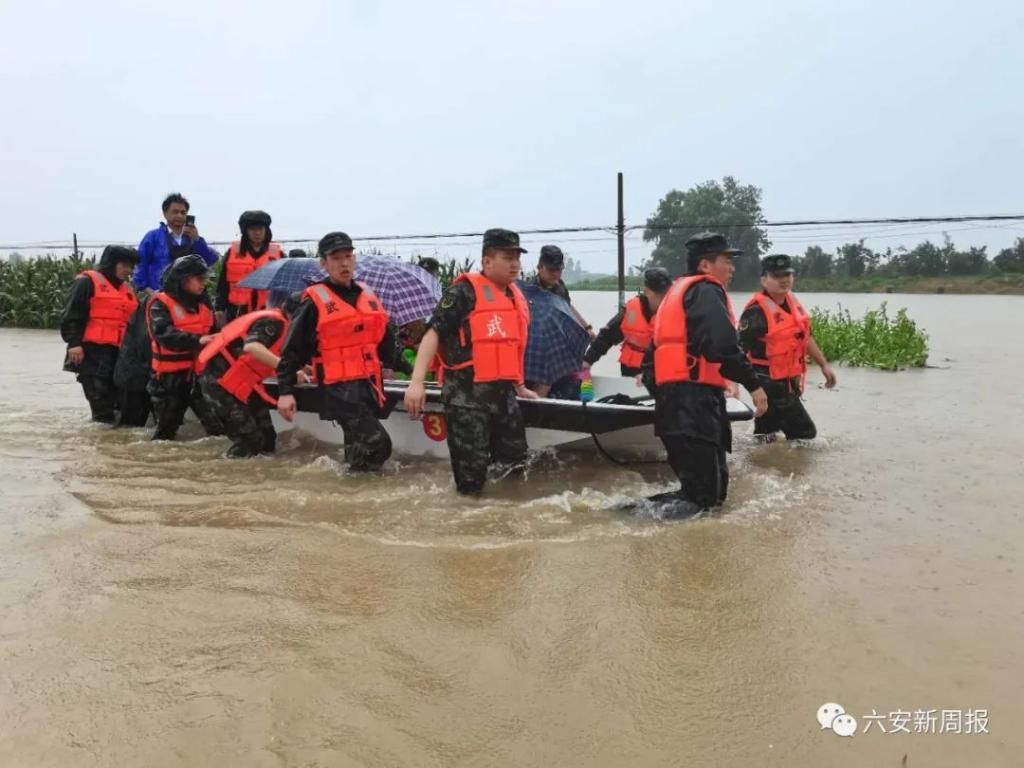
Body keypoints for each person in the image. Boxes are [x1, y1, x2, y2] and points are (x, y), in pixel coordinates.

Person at [404, 228, 539, 495]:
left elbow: (512, 347)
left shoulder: (514, 296)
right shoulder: (463, 293)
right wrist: (416, 383)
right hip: (466, 399)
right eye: (507, 257)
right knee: (471, 479)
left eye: (517, 258)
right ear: (487, 261)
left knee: (514, 464)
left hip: (503, 396)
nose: (515, 264)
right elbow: (433, 334)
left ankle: (504, 519)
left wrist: (520, 387)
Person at [643, 232, 768, 518]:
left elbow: (651, 363)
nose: (732, 267)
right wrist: (753, 384)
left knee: (708, 495)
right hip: (692, 406)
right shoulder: (704, 290)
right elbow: (721, 345)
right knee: (704, 501)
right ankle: (627, 523)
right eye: (726, 260)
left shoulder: (680, 293)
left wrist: (673, 396)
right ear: (705, 266)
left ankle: (631, 517)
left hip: (682, 405)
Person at [275, 232, 401, 471]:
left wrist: (407, 371)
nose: (343, 263)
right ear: (323, 263)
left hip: (369, 385)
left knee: (359, 448)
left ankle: (353, 492)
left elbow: (385, 341)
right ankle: (358, 481)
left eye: (348, 256)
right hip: (338, 390)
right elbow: (292, 350)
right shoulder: (313, 302)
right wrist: (285, 391)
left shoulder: (368, 296)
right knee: (379, 444)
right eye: (336, 258)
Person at [738, 254, 837, 442]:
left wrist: (823, 365)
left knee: (767, 434)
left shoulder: (792, 304)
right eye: (776, 276)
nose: (783, 280)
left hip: (788, 380)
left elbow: (805, 337)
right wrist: (752, 388)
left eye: (787, 275)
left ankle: (763, 466)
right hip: (768, 382)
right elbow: (738, 351)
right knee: (806, 435)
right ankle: (793, 469)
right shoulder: (755, 312)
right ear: (764, 280)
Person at [197, 292, 305, 458]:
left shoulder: (286, 327)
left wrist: (303, 368)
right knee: (249, 440)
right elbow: (252, 347)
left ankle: (263, 479)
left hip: (243, 384)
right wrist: (288, 370)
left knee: (268, 437)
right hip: (219, 383)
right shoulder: (273, 322)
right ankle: (228, 477)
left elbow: (276, 354)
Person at [145, 254, 224, 441]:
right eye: (199, 278)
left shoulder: (204, 303)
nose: (203, 283)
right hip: (168, 380)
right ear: (183, 280)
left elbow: (215, 334)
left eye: (204, 278)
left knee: (218, 428)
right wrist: (198, 341)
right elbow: (164, 335)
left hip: (200, 377)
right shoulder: (160, 303)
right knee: (165, 433)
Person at [60, 246, 140, 423]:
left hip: (119, 355)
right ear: (111, 264)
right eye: (125, 265)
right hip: (90, 353)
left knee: (121, 406)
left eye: (131, 267)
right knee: (101, 406)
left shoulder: (127, 289)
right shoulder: (86, 282)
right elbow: (71, 315)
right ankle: (100, 443)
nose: (129, 271)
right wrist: (74, 344)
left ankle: (114, 445)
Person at [582, 267, 672, 376]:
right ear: (646, 291)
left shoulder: (677, 312)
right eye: (658, 294)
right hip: (632, 372)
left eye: (666, 294)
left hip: (661, 373)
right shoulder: (631, 311)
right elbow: (606, 337)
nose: (663, 299)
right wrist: (588, 360)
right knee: (586, 386)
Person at [134, 193, 219, 294]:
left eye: (183, 213)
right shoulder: (153, 237)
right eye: (175, 212)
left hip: (189, 296)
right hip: (160, 294)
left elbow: (208, 261)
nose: (179, 215)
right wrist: (150, 293)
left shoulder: (192, 238)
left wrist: (197, 240)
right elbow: (140, 265)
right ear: (165, 213)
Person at [215, 210, 283, 322]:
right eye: (253, 229)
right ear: (245, 231)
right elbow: (223, 284)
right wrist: (219, 307)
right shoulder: (232, 252)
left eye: (260, 229)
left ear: (266, 230)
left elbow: (283, 286)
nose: (257, 233)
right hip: (237, 311)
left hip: (267, 311)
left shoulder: (278, 254)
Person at [524, 244, 595, 338]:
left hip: (557, 338)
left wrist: (586, 328)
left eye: (559, 269)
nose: (556, 274)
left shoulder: (560, 287)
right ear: (539, 267)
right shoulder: (528, 290)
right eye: (551, 270)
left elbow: (568, 308)